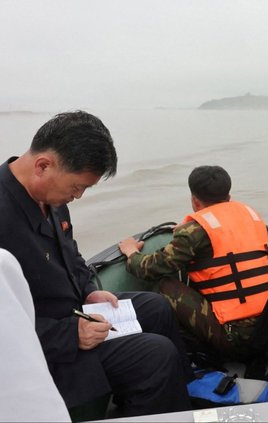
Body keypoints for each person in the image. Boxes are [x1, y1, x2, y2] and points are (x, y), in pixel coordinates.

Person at [0, 111, 193, 417]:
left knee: (156, 307)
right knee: (155, 354)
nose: (78, 197)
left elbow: (72, 255)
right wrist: (68, 335)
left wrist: (90, 291)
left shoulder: (53, 198)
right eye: (77, 187)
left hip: (77, 312)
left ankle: (182, 397)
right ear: (43, 165)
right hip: (46, 347)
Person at [118, 165, 268, 362]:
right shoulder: (252, 216)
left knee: (164, 285)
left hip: (235, 340)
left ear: (194, 200)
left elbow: (148, 268)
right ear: (228, 195)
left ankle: (184, 351)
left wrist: (131, 251)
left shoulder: (194, 232)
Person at [0, 248, 71, 422]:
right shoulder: (3, 263)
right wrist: (73, 332)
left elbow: (73, 259)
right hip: (60, 349)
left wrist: (89, 290)